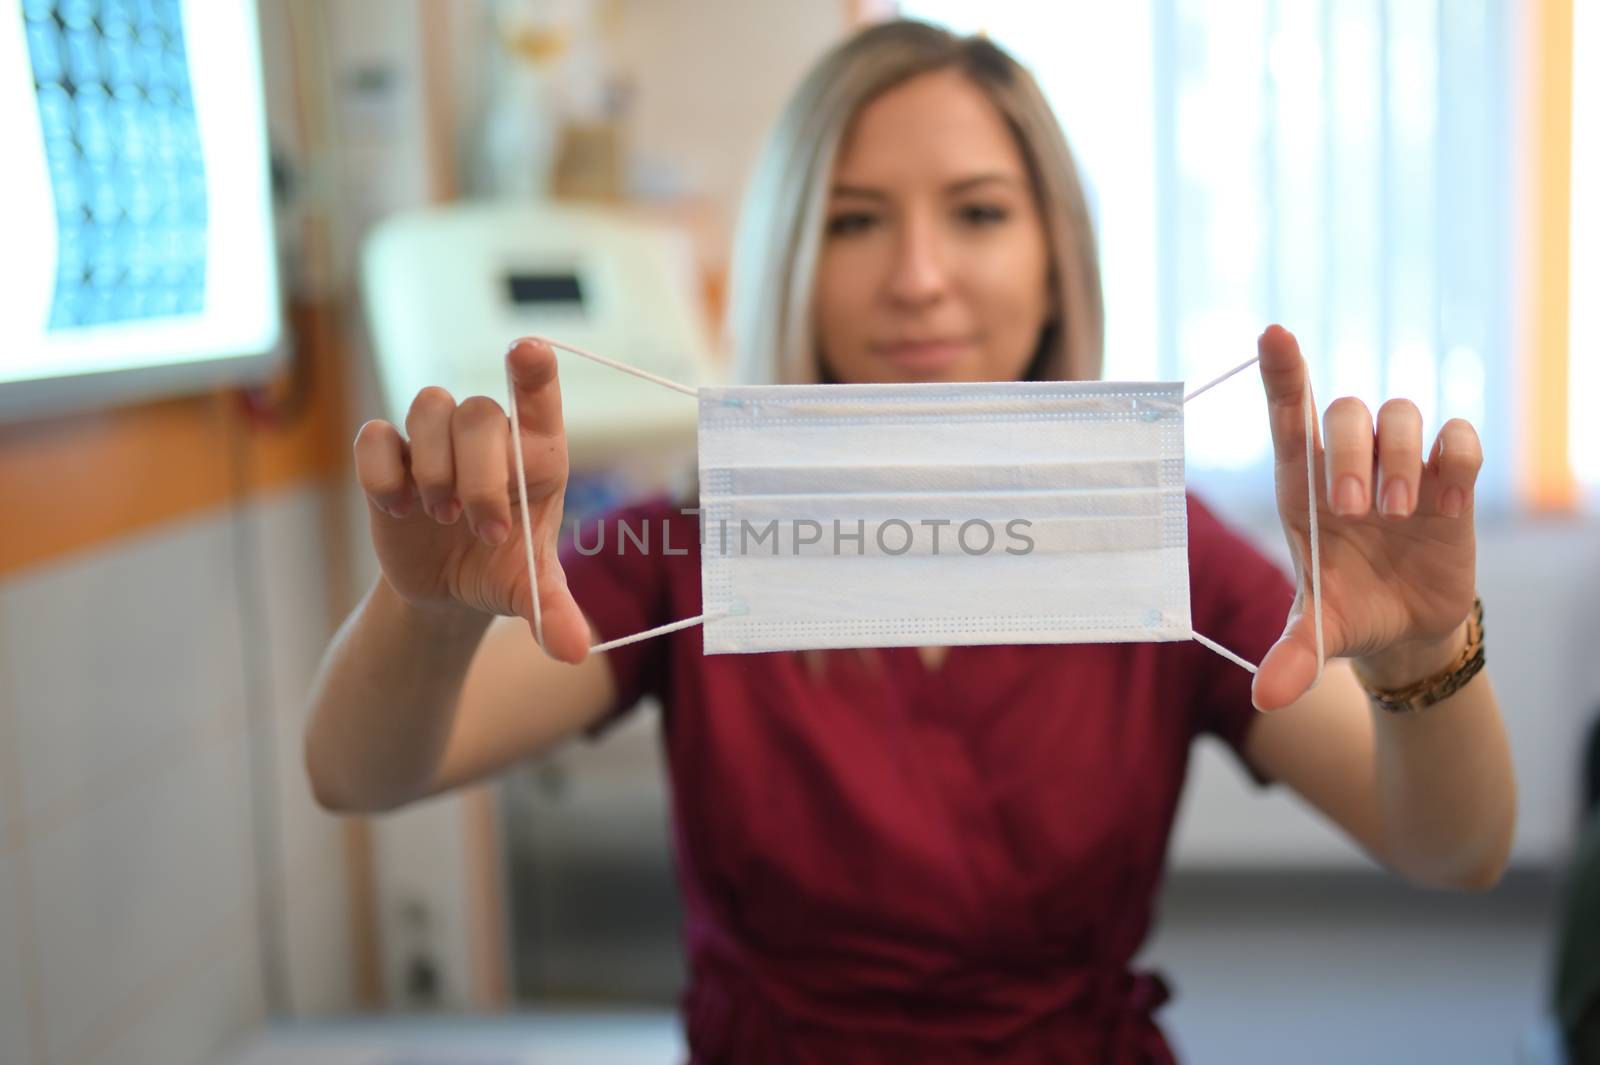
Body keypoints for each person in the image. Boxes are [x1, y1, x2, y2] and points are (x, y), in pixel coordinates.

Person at [305, 19, 1516, 1063]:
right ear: (792, 257)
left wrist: (1421, 667)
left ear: (1054, 258)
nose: (919, 277)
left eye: (978, 214)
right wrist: (426, 616)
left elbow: (1451, 846)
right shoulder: (689, 545)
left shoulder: (1157, 552)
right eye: (854, 222)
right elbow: (360, 774)